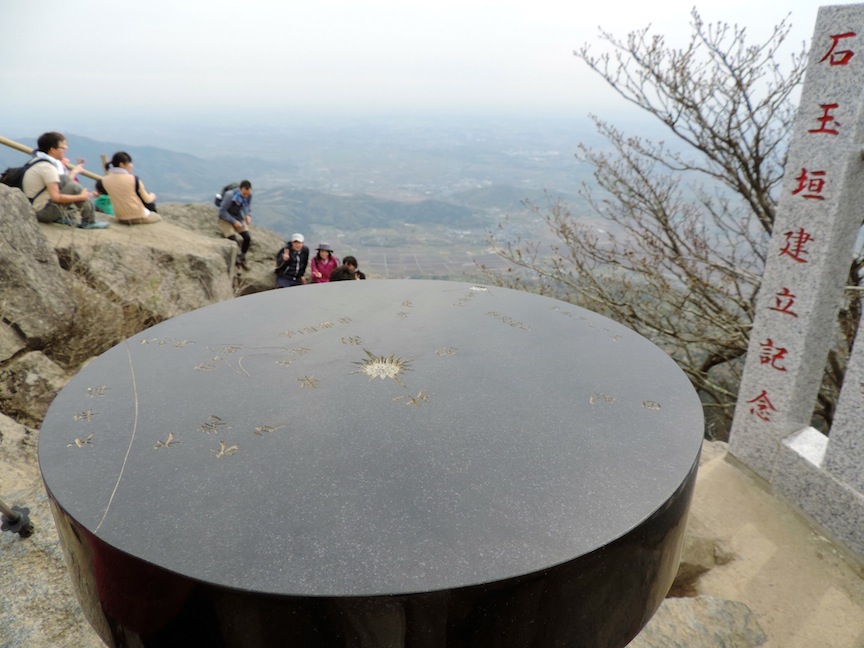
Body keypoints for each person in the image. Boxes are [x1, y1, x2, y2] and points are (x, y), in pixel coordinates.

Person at [21, 131, 107, 229]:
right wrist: (81, 197)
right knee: (73, 187)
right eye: (63, 147)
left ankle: (68, 215)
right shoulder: (48, 168)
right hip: (41, 212)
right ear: (53, 150)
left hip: (34, 207)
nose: (66, 150)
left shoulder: (38, 160)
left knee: (64, 179)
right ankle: (89, 220)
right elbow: (56, 197)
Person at [100, 152, 162, 225]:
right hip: (138, 217)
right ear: (121, 164)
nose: (132, 165)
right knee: (158, 216)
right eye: (129, 163)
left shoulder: (105, 180)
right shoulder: (134, 179)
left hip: (120, 218)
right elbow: (147, 199)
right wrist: (152, 195)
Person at [218, 180, 253, 270]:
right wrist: (233, 221)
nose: (246, 196)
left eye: (247, 194)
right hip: (225, 219)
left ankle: (242, 256)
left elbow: (247, 206)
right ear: (240, 189)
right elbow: (222, 211)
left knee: (247, 237)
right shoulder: (230, 196)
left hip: (237, 217)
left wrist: (248, 215)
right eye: (244, 194)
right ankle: (236, 259)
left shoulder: (248, 195)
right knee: (233, 239)